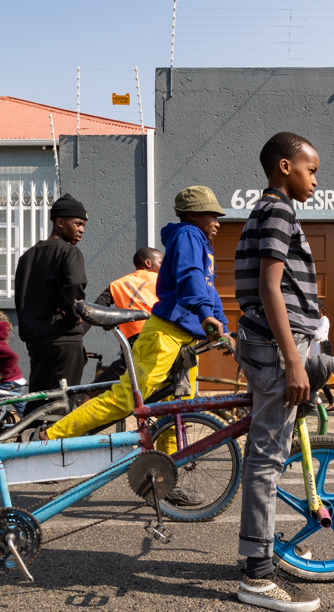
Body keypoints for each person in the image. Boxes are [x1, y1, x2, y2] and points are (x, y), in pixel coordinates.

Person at [38, 185, 230, 509]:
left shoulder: (202, 244)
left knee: (178, 409)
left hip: (186, 341)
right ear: (195, 215)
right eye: (214, 215)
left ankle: (166, 483)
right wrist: (207, 315)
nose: (219, 222)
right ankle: (52, 436)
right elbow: (191, 279)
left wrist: (219, 324)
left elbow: (208, 290)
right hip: (165, 335)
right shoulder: (188, 235)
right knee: (126, 398)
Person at [233, 132, 322, 612]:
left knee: (269, 453)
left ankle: (260, 546)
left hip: (270, 344)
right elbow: (270, 288)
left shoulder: (266, 211)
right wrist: (293, 359)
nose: (315, 180)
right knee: (265, 458)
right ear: (285, 167)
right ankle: (257, 576)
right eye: (312, 170)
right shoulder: (280, 210)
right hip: (274, 348)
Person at [14, 194, 92, 415]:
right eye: (78, 223)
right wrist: (72, 316)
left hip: (37, 342)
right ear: (59, 222)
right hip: (64, 340)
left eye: (83, 225)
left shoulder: (26, 257)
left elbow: (20, 297)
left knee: (38, 404)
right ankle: (55, 449)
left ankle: (26, 445)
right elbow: (75, 283)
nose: (82, 230)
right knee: (61, 406)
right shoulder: (69, 252)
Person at [93, 247, 163, 383]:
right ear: (148, 263)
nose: (163, 267)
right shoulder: (163, 280)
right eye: (161, 262)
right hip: (158, 335)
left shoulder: (118, 284)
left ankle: (86, 397)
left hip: (132, 341)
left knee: (112, 381)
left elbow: (98, 307)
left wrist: (108, 323)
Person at [0, 321, 26, 417]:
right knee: (21, 409)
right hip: (15, 381)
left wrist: (3, 374)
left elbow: (13, 357)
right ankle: (28, 426)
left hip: (11, 382)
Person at [312, 300, 334, 412]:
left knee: (320, 379)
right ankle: (331, 402)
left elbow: (318, 336)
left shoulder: (324, 320)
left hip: (319, 353)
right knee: (320, 380)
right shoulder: (316, 320)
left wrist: (308, 327)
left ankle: (329, 402)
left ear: (321, 309)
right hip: (312, 352)